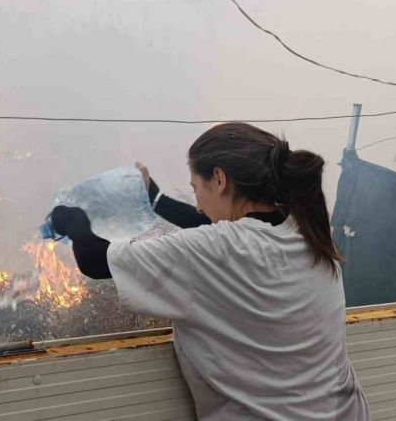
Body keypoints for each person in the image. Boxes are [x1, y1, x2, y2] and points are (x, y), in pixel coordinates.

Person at [51, 123, 370, 420]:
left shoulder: (220, 250)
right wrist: (156, 199)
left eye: (196, 188)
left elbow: (94, 259)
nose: (199, 204)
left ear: (219, 179)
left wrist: (75, 216)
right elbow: (220, 230)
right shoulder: (306, 230)